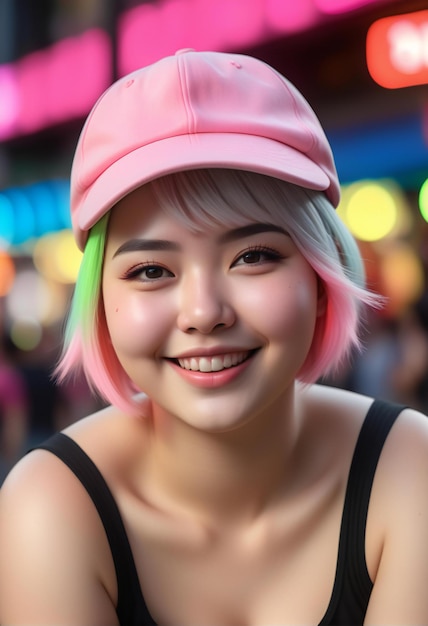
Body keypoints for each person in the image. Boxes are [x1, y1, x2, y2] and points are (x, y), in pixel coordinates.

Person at [0, 49, 428, 626]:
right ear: (101, 301)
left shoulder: (412, 468)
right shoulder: (51, 506)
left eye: (253, 256)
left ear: (321, 278)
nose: (204, 312)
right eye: (152, 270)